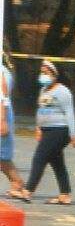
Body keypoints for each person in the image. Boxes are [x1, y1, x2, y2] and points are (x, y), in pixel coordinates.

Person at [14, 59, 75, 204]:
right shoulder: (43, 90)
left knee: (40, 158)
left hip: (60, 130)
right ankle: (65, 194)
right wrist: (38, 127)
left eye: (46, 73)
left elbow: (69, 113)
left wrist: (74, 135)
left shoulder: (63, 91)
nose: (42, 75)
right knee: (57, 162)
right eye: (41, 72)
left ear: (54, 74)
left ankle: (28, 191)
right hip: (47, 131)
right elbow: (41, 110)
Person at [1, 51, 28, 197]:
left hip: (1, 115)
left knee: (2, 157)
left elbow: (2, 98)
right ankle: (16, 182)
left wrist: (2, 120)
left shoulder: (1, 72)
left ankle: (17, 181)